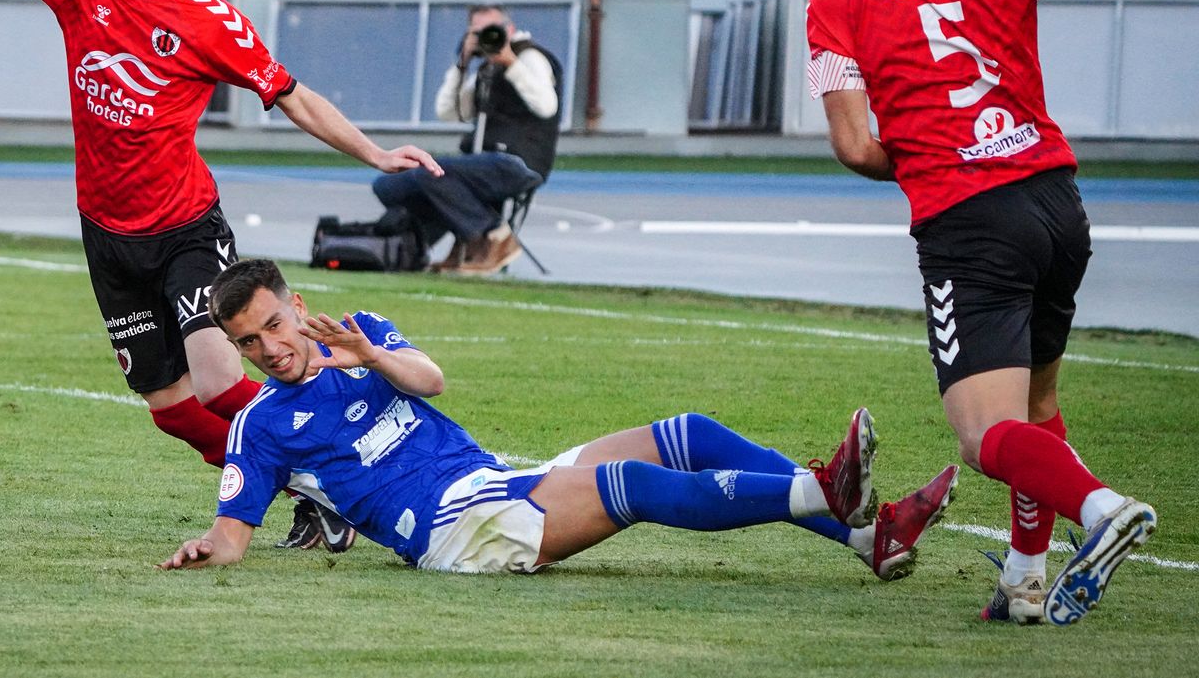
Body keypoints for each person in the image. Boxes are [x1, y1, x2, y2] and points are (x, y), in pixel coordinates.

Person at [0, 0, 443, 550]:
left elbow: (294, 95)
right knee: (170, 407)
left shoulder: (212, 22)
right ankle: (309, 490)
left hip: (185, 228)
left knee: (215, 379)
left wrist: (373, 153)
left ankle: (345, 467)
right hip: (105, 232)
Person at [806, 0, 1169, 625]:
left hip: (969, 223)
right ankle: (1024, 580)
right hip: (1055, 202)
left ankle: (1104, 509)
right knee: (1037, 407)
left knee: (983, 435)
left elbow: (855, 146)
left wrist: (935, 150)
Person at [159, 258, 960, 577]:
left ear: (296, 304)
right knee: (630, 484)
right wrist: (206, 547)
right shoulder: (261, 425)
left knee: (688, 432)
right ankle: (824, 491)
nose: (268, 348)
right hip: (453, 531)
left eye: (273, 325)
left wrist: (369, 356)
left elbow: (431, 380)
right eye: (248, 341)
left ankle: (868, 539)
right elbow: (232, 534)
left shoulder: (357, 333)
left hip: (491, 481)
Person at [372, 5, 561, 274]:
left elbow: (546, 106)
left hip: (519, 162)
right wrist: (461, 63)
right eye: (477, 31)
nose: (486, 37)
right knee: (389, 185)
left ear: (509, 30)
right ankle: (435, 243)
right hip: (482, 161)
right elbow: (448, 112)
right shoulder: (485, 68)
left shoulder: (530, 57)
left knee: (430, 173)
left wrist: (511, 63)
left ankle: (495, 237)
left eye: (492, 30)